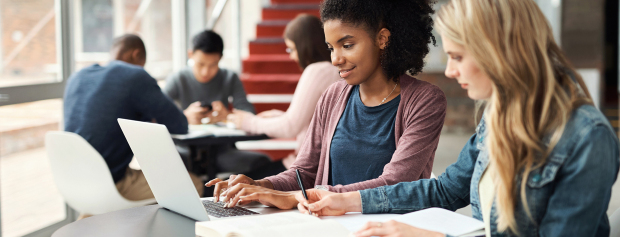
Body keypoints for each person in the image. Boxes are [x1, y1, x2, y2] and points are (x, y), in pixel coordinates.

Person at [294, 0, 620, 236]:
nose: (450, 71)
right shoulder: (497, 115)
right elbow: (446, 191)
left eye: (458, 57)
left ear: (501, 51)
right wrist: (348, 201)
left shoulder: (587, 138)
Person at [206, 0, 446, 210]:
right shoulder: (333, 96)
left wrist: (298, 197)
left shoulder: (425, 101)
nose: (335, 59)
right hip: (329, 224)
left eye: (347, 45)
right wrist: (260, 185)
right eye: (331, 48)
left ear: (382, 39)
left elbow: (395, 184)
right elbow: (304, 172)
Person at [64, 34, 204, 204]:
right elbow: (179, 125)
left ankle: (90, 227)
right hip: (112, 182)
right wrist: (184, 116)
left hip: (71, 180)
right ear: (136, 55)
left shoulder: (78, 76)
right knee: (193, 184)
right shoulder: (134, 76)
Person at [164, 30, 282, 180]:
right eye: (200, 64)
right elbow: (156, 115)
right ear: (190, 55)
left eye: (213, 65)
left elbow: (248, 112)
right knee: (167, 162)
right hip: (184, 152)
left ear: (220, 58)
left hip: (223, 153)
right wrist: (184, 117)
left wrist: (227, 116)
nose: (206, 71)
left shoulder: (229, 77)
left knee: (262, 163)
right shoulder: (178, 78)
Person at [229, 14, 340, 169]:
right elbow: (314, 122)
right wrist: (279, 116)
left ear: (304, 46)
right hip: (322, 163)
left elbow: (290, 126)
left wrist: (247, 122)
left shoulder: (317, 71)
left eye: (292, 49)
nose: (291, 55)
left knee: (238, 180)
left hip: (307, 167)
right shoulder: (334, 70)